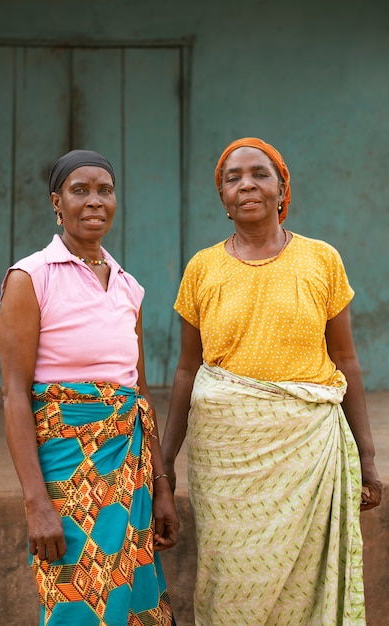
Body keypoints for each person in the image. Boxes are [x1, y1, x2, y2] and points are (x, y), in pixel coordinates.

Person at [161, 137, 382, 625]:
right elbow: (185, 369)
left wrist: (367, 458)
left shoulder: (322, 260)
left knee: (307, 589)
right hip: (226, 462)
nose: (246, 185)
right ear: (221, 196)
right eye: (233, 177)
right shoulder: (202, 268)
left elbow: (345, 358)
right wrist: (166, 463)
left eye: (259, 174)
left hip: (309, 453)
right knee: (230, 584)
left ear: (282, 188)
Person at [0, 149, 179, 626]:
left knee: (131, 601)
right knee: (74, 602)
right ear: (57, 203)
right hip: (66, 477)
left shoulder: (128, 287)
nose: (94, 201)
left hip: (130, 476)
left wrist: (161, 488)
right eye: (80, 191)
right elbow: (14, 395)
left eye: (105, 190)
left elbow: (138, 394)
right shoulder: (30, 277)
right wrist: (36, 502)